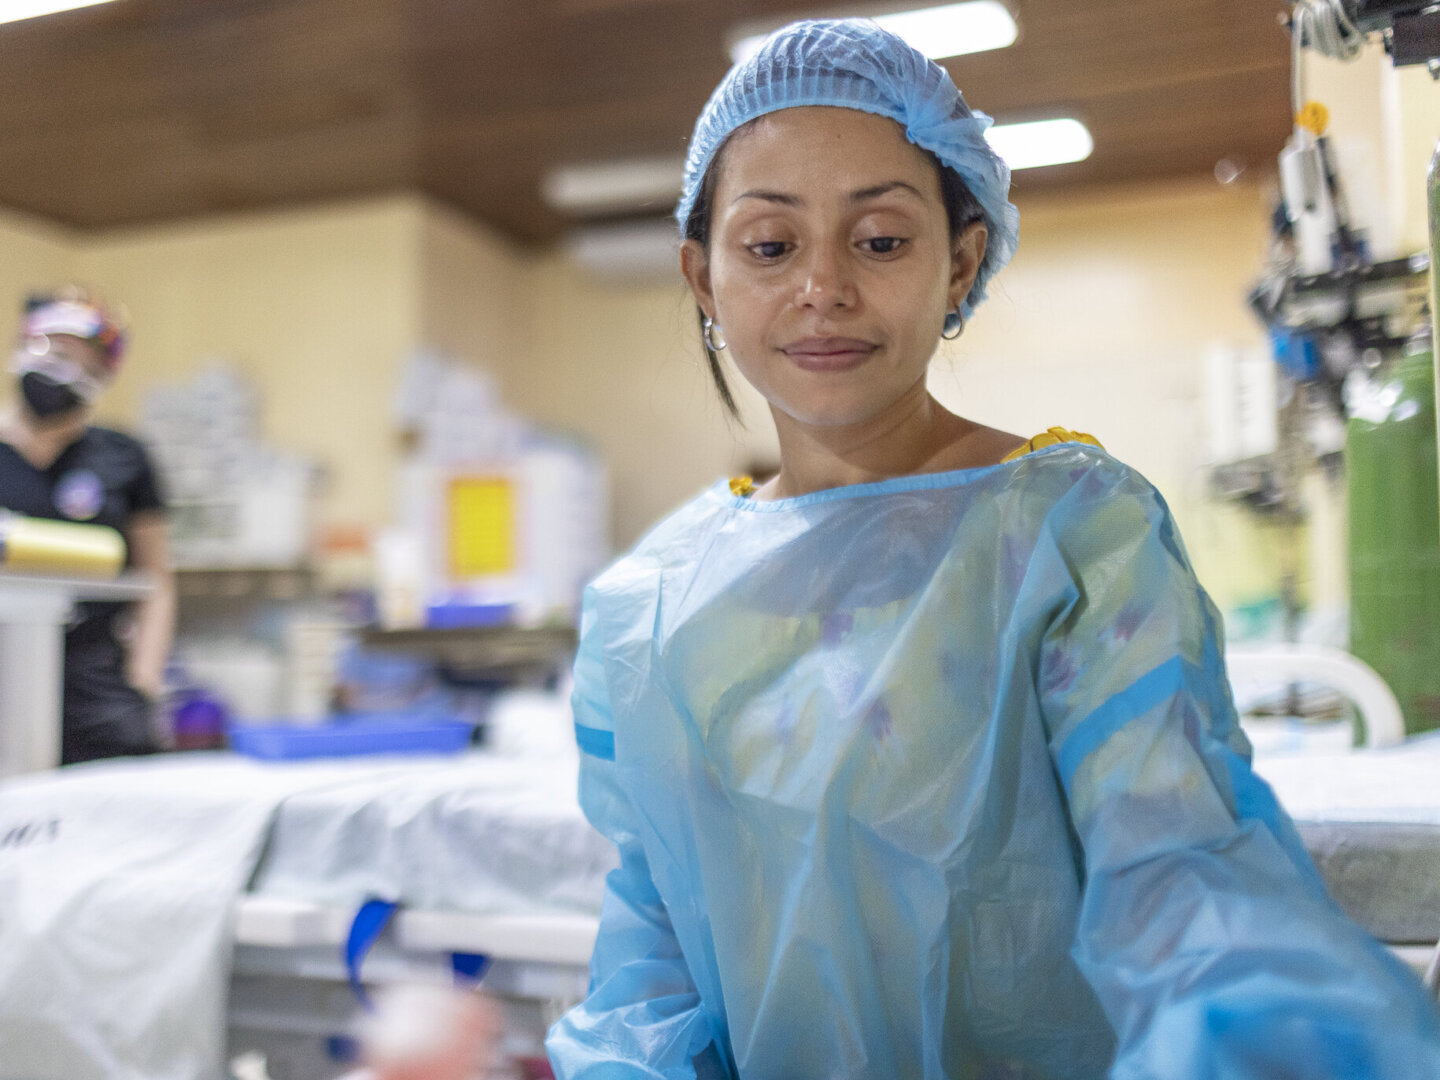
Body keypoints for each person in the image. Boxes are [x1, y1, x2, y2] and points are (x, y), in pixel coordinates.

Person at [536, 19, 1440, 1080]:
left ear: (961, 263)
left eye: (880, 240)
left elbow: (1182, 875)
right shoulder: (649, 611)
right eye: (770, 246)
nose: (823, 286)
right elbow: (654, 968)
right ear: (703, 278)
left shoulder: (1070, 534)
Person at [0, 289, 174, 764]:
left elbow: (155, 582)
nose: (62, 369)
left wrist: (144, 681)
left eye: (82, 361)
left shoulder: (122, 457)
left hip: (95, 685)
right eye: (54, 350)